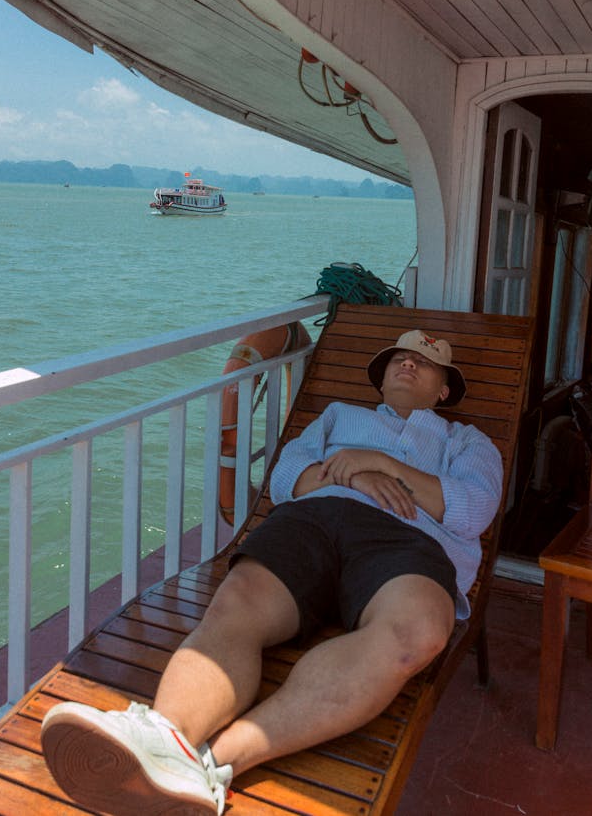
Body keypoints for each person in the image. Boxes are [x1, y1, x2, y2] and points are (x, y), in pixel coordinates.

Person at [41, 329, 503, 815]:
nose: (407, 365)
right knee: (238, 605)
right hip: (316, 518)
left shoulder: (466, 442)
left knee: (418, 634)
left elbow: (472, 509)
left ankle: (212, 765)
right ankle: (163, 734)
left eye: (423, 363)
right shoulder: (339, 416)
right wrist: (355, 477)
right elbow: (286, 479)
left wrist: (375, 461)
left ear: (443, 390)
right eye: (398, 359)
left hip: (408, 540)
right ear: (382, 378)